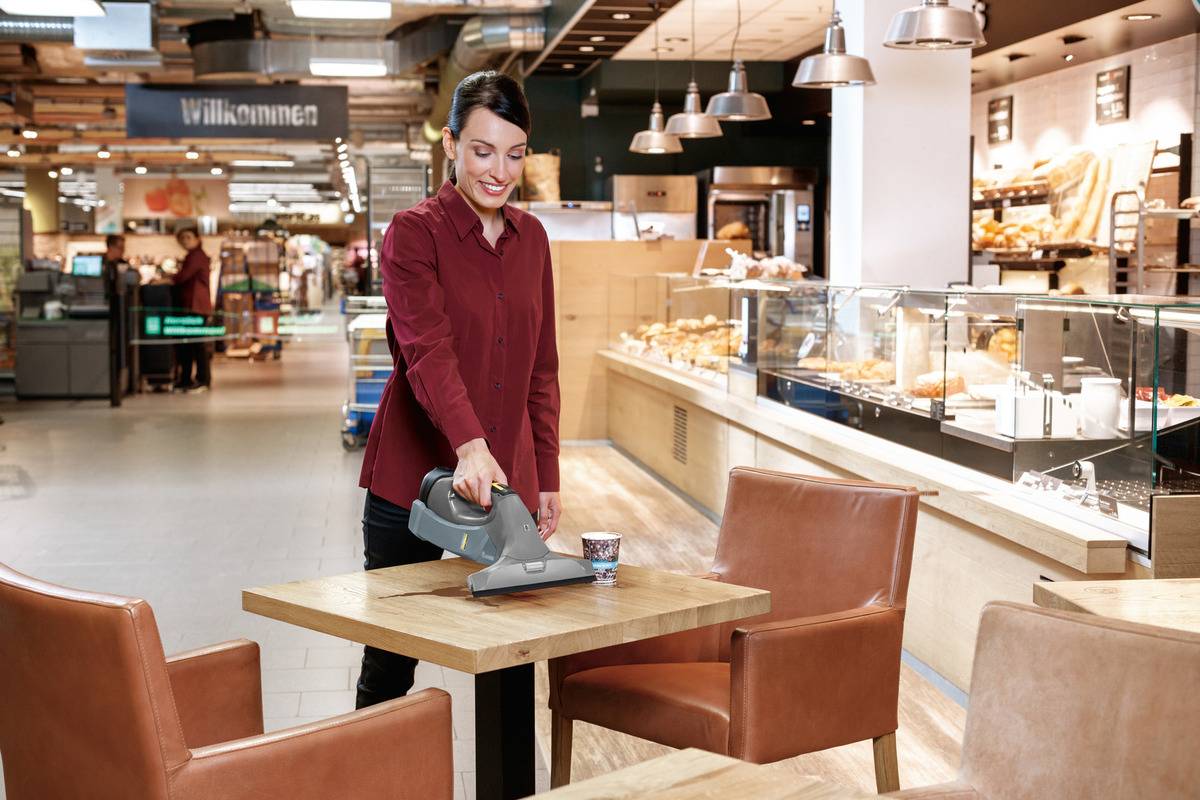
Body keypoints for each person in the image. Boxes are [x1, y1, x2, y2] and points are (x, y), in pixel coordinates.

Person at [355, 70, 561, 708]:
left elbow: (542, 367)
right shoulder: (413, 235)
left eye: (515, 153)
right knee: (392, 661)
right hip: (415, 477)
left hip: (508, 484)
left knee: (511, 663)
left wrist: (547, 473)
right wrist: (469, 445)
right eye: (482, 150)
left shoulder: (534, 241)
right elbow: (427, 352)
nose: (499, 171)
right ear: (449, 144)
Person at [171, 226, 212, 393]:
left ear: (197, 238)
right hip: (190, 306)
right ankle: (186, 378)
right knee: (187, 344)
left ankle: (202, 380)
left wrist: (167, 279)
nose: (185, 241)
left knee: (196, 345)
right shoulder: (192, 256)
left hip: (195, 307)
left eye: (188, 237)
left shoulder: (197, 256)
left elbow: (183, 276)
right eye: (182, 238)